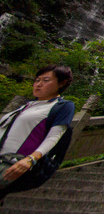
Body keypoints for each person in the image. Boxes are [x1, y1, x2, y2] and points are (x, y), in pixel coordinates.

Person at [0, 65, 75, 199]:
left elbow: (55, 136)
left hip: (13, 161)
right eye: (37, 80)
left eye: (46, 80)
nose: (39, 84)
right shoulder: (26, 106)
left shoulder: (62, 106)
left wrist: (31, 159)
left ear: (62, 83)